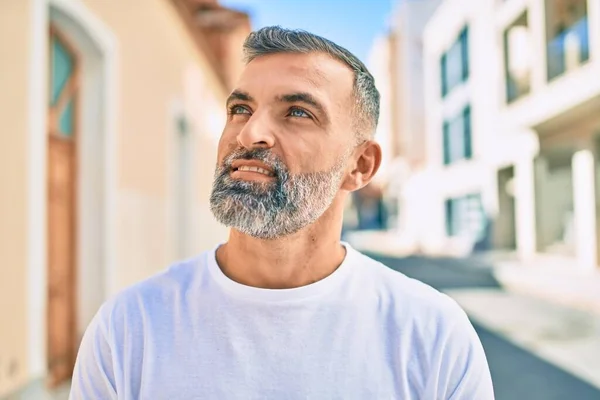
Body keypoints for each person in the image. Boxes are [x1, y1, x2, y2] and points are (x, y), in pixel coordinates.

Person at [70, 26, 494, 399]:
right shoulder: (129, 329)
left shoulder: (433, 336)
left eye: (297, 112)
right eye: (240, 109)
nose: (250, 132)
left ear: (360, 165)